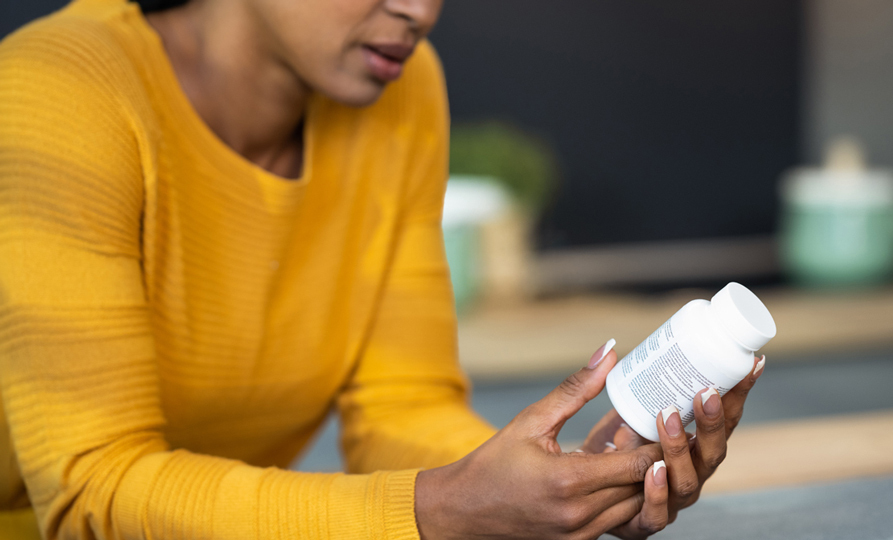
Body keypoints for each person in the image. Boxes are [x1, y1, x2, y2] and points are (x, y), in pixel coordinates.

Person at [0, 0, 765, 538]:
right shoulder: (60, 88)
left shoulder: (400, 91)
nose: (419, 10)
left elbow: (400, 409)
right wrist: (434, 511)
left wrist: (567, 485)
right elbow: (88, 492)